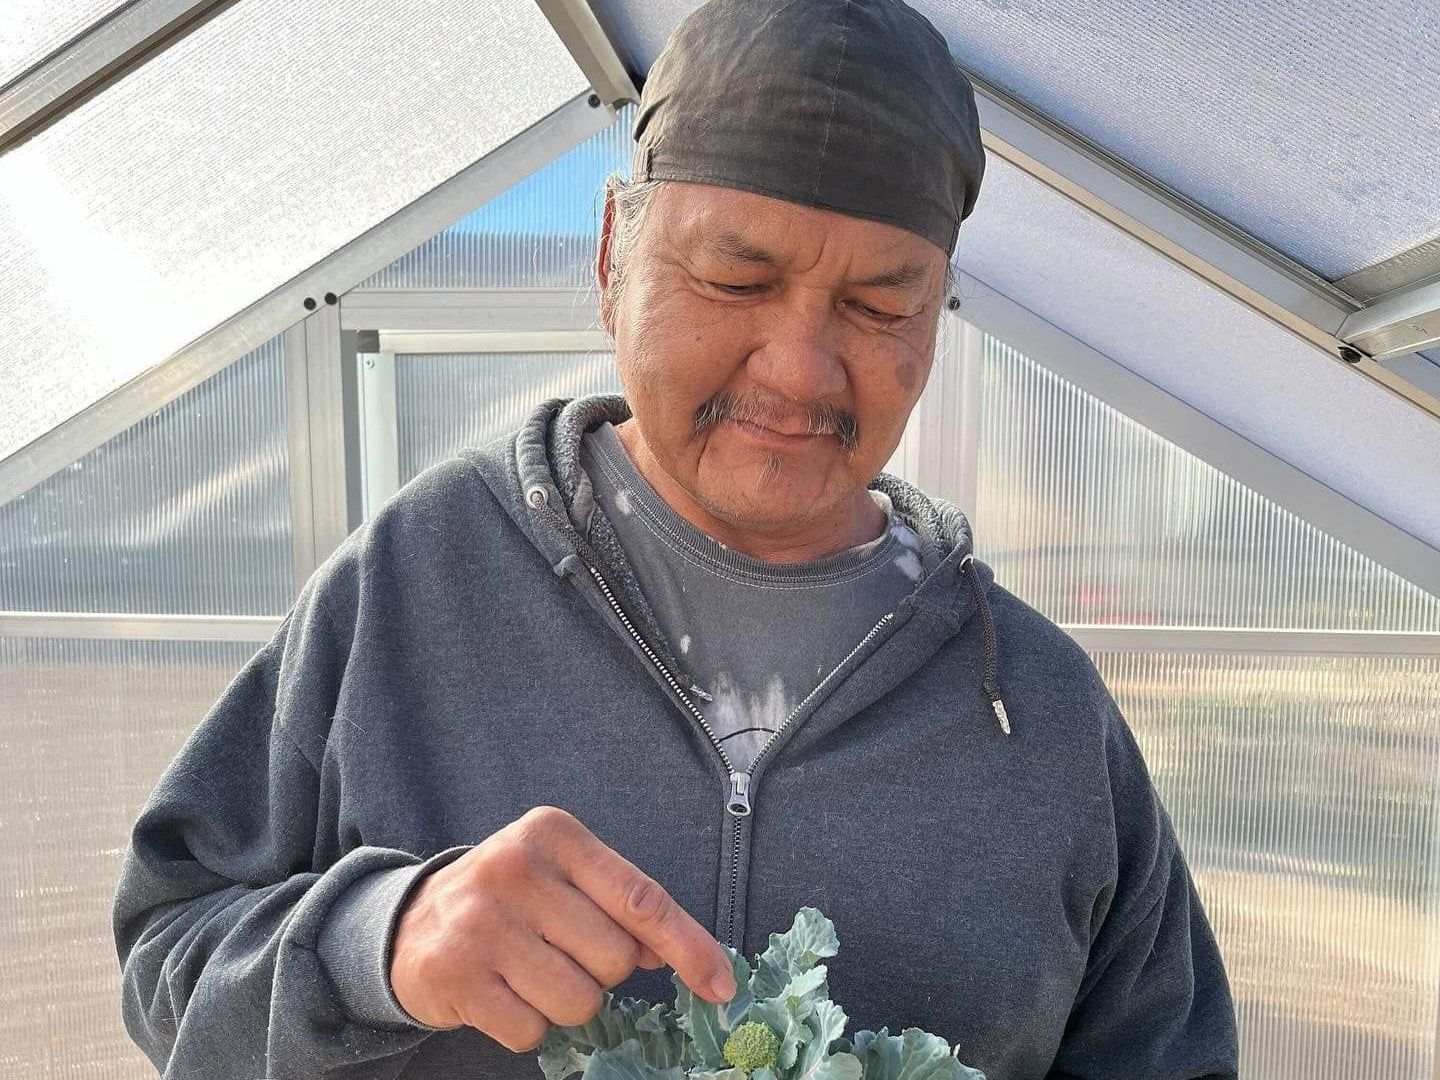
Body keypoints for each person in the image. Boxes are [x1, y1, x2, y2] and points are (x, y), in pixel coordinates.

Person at [113, 1, 1238, 1077]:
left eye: (879, 306)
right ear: (613, 254)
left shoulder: (1037, 705)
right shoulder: (412, 586)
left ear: (937, 313)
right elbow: (168, 955)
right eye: (736, 277)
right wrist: (377, 942)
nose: (799, 368)